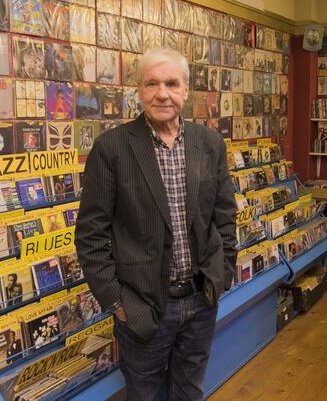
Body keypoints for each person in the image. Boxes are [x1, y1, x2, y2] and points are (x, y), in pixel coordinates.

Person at [76, 48, 236, 401]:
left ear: (186, 90)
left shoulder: (209, 143)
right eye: (152, 83)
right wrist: (118, 304)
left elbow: (224, 216)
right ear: (139, 89)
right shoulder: (111, 148)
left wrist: (221, 274)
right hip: (143, 308)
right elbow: (90, 236)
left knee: (189, 392)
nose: (162, 93)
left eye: (171, 83)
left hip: (200, 300)